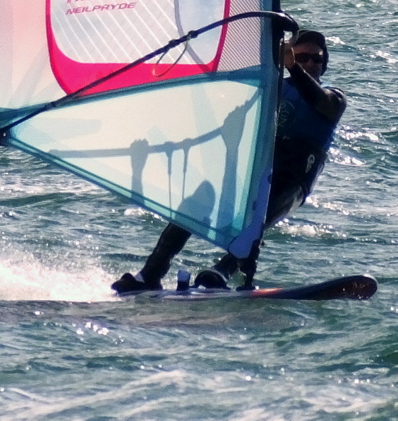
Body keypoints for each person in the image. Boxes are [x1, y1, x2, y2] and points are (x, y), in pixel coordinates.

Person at [112, 29, 347, 292]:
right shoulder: (270, 88)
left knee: (259, 216)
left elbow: (320, 101)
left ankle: (221, 272)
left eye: (317, 59)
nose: (310, 63)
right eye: (302, 58)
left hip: (293, 178)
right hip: (255, 167)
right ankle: (150, 274)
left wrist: (293, 66)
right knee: (195, 202)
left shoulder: (334, 98)